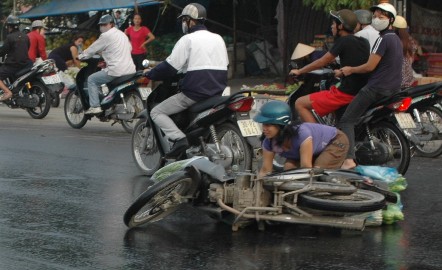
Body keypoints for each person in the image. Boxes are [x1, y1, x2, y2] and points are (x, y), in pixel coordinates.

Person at [143, 3, 228, 157]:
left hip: (194, 94)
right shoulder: (218, 38)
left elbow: (169, 67)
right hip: (217, 91)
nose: (183, 24)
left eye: (184, 20)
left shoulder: (187, 39)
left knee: (156, 112)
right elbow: (220, 64)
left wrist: (150, 74)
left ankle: (180, 139)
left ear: (190, 20)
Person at [339, 3, 403, 170]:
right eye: (374, 16)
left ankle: (348, 160)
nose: (377, 19)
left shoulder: (383, 39)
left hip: (376, 88)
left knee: (346, 120)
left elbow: (369, 66)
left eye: (381, 16)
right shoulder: (396, 39)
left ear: (390, 20)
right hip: (393, 88)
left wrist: (349, 69)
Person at [289, 9, 370, 123]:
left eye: (333, 23)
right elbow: (357, 62)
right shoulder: (364, 41)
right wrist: (341, 72)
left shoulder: (343, 41)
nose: (332, 26)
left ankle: (319, 136)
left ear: (340, 26)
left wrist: (300, 71)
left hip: (346, 93)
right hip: (361, 91)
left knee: (300, 103)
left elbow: (322, 61)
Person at [253, 100, 349, 178]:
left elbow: (306, 168)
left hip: (335, 141)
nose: (264, 129)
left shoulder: (302, 134)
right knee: (288, 168)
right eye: (263, 125)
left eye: (268, 125)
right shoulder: (268, 142)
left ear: (280, 126)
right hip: (315, 149)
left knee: (316, 172)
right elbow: (266, 170)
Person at [79, 14, 136, 115]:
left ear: (111, 24)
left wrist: (81, 56)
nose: (102, 26)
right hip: (130, 69)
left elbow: (92, 49)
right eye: (101, 25)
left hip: (116, 70)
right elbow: (129, 49)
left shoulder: (106, 35)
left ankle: (95, 106)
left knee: (92, 79)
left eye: (105, 24)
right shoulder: (122, 34)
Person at [0, 15, 32, 101]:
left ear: (9, 26)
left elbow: (3, 51)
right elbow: (27, 48)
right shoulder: (26, 36)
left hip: (13, 65)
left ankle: (7, 92)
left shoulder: (9, 37)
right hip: (26, 64)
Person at [393, 15, 418, 88]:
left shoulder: (393, 41)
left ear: (394, 28)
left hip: (397, 83)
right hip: (409, 81)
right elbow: (411, 60)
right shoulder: (411, 41)